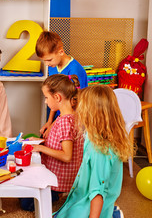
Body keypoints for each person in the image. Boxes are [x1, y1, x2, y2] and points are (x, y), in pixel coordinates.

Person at [54, 85, 132, 218]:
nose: (77, 110)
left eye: (80, 107)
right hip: (80, 201)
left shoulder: (100, 150)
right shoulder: (95, 137)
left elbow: (98, 192)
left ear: (90, 114)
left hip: (87, 210)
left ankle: (113, 213)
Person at [21, 74, 84, 211]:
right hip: (62, 176)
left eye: (46, 97)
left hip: (59, 180)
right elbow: (60, 140)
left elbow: (67, 156)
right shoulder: (68, 116)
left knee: (25, 203)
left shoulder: (64, 122)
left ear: (57, 98)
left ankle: (58, 194)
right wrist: (41, 141)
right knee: (24, 187)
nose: (45, 102)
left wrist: (40, 148)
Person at [35, 31, 88, 138]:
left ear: (61, 52)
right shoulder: (52, 65)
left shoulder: (75, 70)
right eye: (44, 61)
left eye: (49, 60)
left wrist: (53, 125)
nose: (47, 64)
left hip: (71, 118)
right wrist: (49, 121)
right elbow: (52, 95)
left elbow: (74, 105)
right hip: (58, 115)